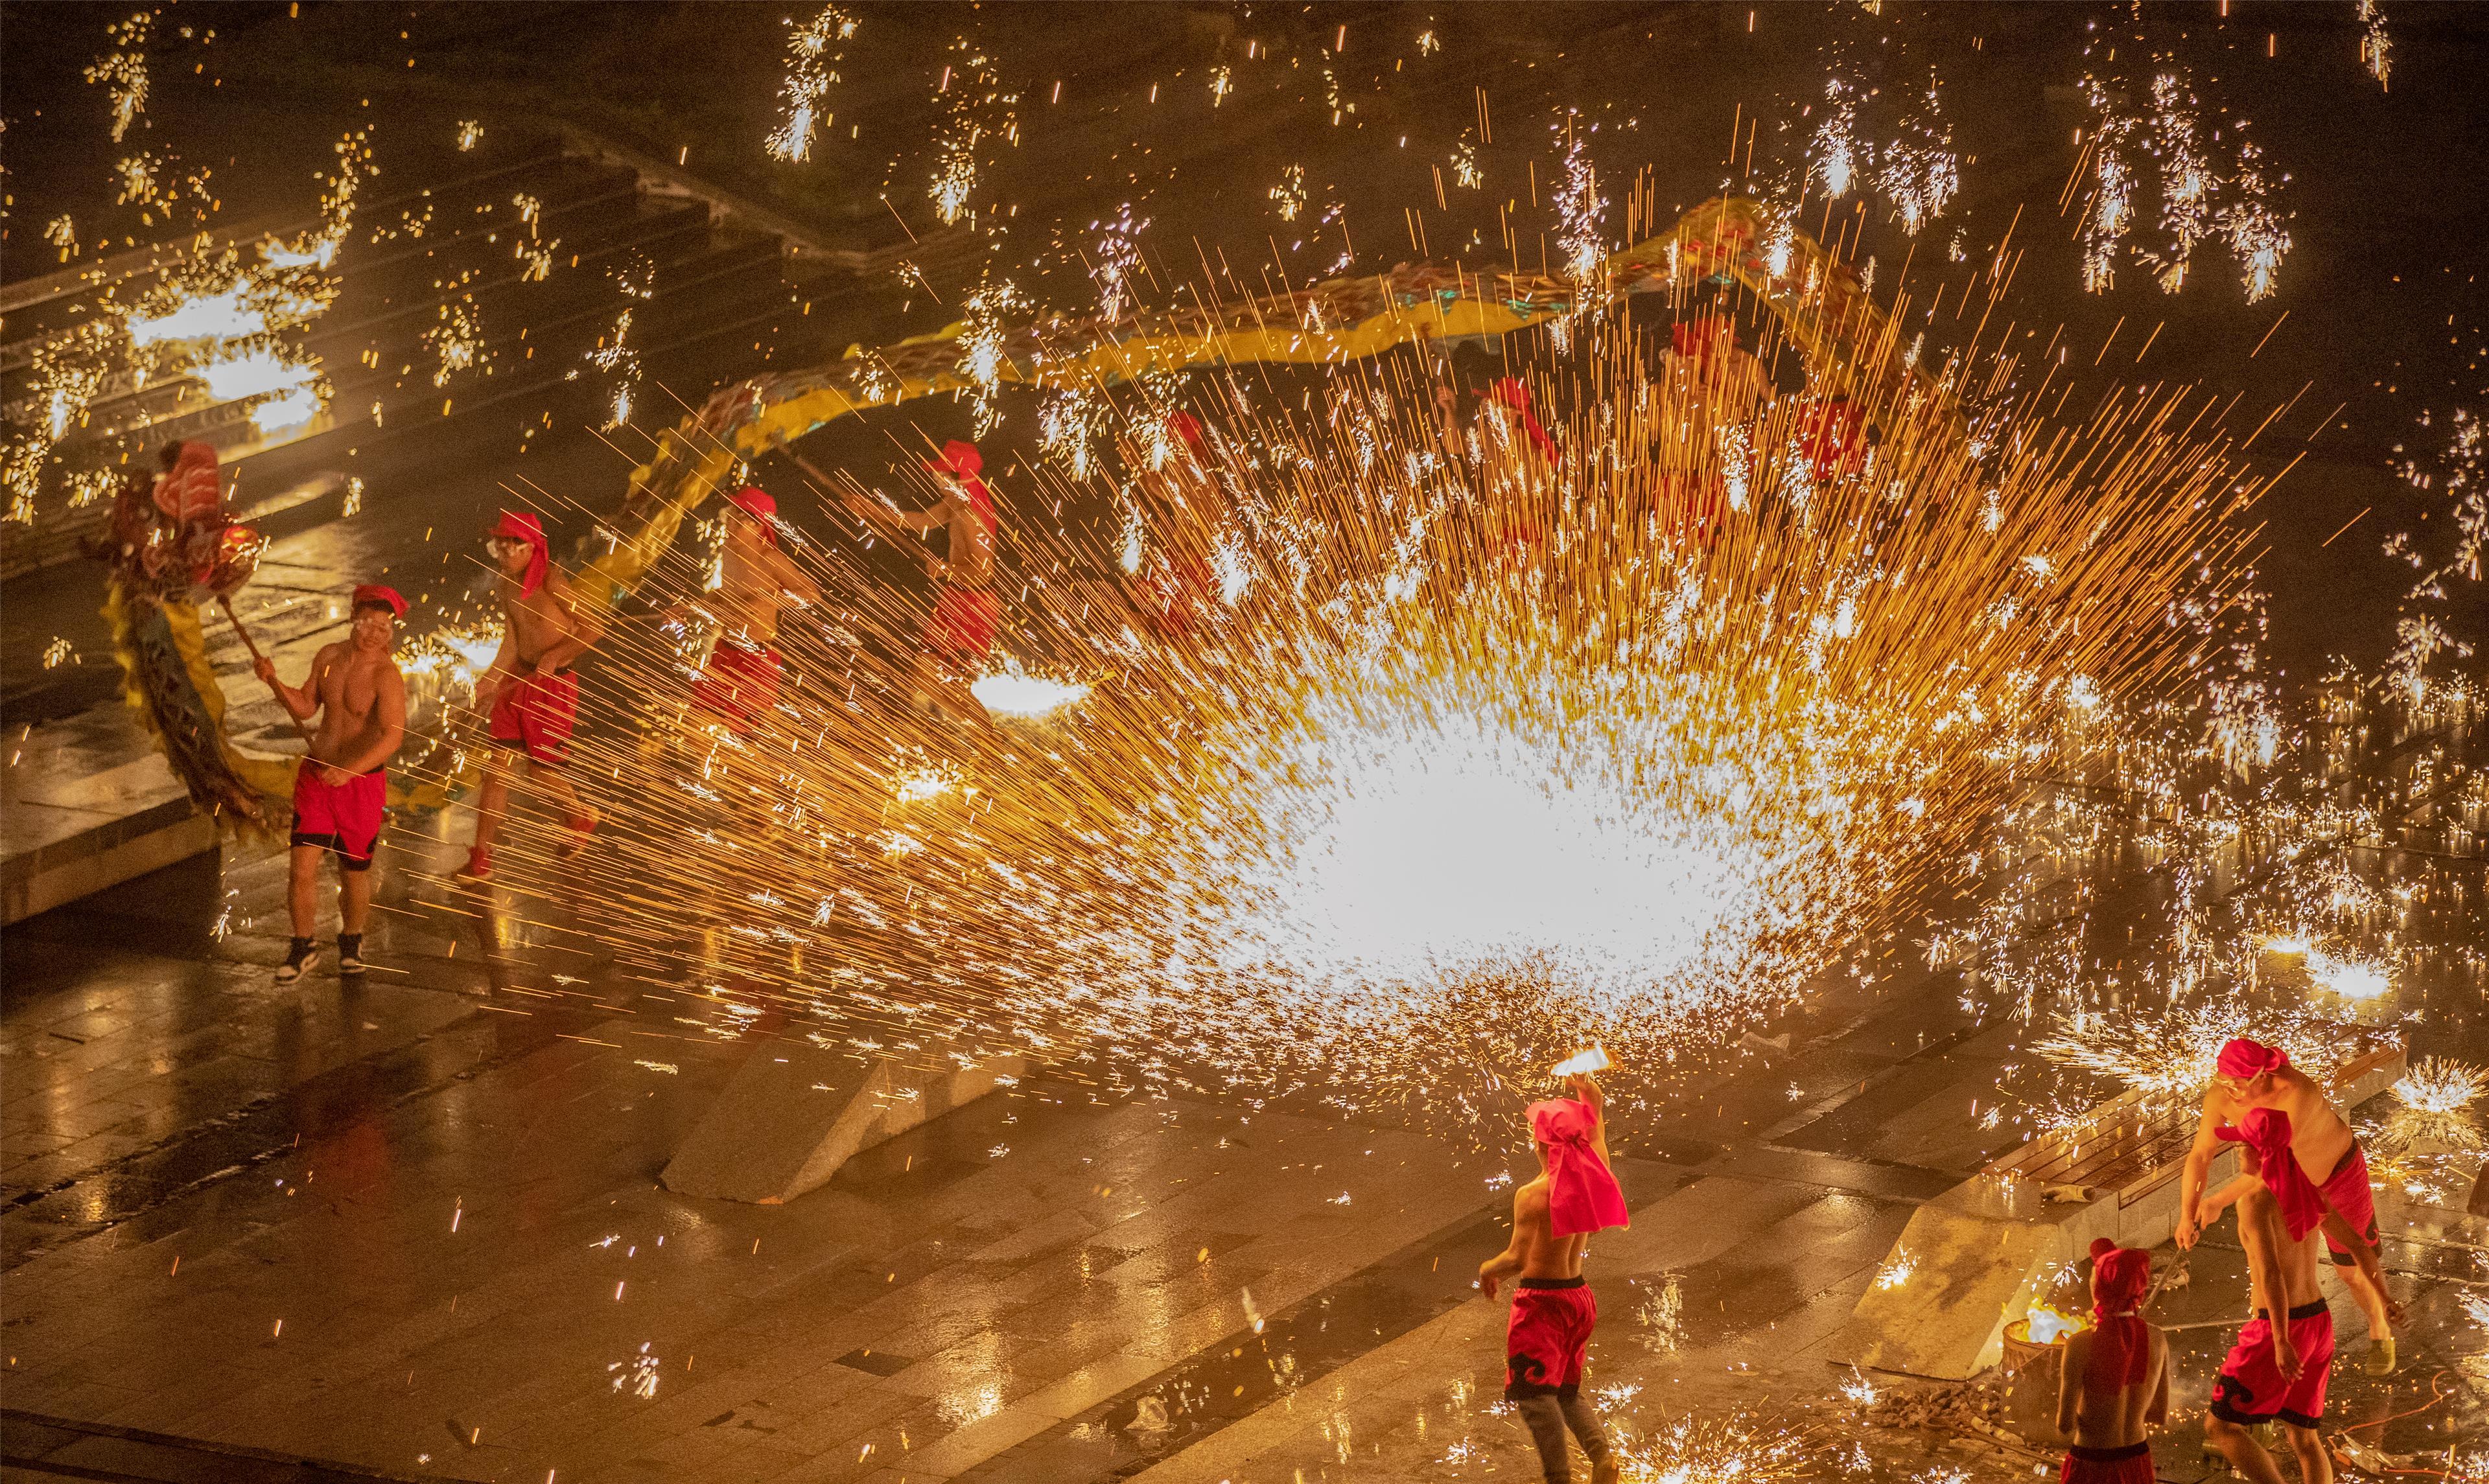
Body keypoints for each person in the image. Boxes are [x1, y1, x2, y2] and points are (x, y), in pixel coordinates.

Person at [2177, 1037, 2400, 1373]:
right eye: (2224, 1082)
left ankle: (2380, 1327)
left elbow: (2275, 1165)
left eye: (2238, 1084)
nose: (2230, 1091)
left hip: (2336, 1174)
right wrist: (2186, 1213)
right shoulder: (2221, 1094)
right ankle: (2271, 1356)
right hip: (2286, 1187)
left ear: (2262, 1077)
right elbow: (2201, 1154)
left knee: (2349, 1271)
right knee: (2270, 1271)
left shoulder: (2296, 1093)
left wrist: (2217, 1201)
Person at [1478, 1064, 1630, 1484]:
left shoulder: (1533, 1195)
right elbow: (1596, 1123)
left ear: (1540, 1141)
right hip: (1579, 1298)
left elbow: (1516, 1259)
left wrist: (1486, 1270)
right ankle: (1601, 1457)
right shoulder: (1593, 1169)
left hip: (1541, 1304)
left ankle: (1558, 1478)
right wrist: (1587, 1091)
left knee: (1533, 1394)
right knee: (1564, 1389)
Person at [253, 584, 408, 982]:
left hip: (361, 786)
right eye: (368, 623)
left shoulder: (387, 676)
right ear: (354, 618)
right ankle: (302, 945)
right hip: (317, 777)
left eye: (384, 627)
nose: (375, 633)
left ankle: (352, 938)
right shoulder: (328, 657)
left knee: (353, 872)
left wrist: (352, 771)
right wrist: (274, 682)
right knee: (301, 866)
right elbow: (306, 708)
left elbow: (393, 736)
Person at [797, 439, 998, 725]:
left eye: (939, 472)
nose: (933, 476)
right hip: (957, 598)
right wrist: (871, 510)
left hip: (974, 607)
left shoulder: (971, 513)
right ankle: (976, 738)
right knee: (926, 676)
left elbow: (984, 572)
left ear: (954, 476)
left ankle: (989, 741)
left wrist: (945, 569)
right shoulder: (958, 499)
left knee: (950, 684)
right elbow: (921, 521)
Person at [459, 510, 605, 881]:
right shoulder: (506, 584)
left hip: (552, 686)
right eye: (501, 543)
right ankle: (482, 857)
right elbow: (513, 640)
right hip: (519, 681)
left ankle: (580, 815)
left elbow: (592, 628)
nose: (505, 550)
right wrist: (492, 678)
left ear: (531, 548)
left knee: (541, 774)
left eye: (512, 544)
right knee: (496, 771)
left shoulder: (553, 582)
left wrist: (557, 654)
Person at [2204, 1107, 2338, 1484]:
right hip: (2318, 1321)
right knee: (2304, 1437)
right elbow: (2354, 1240)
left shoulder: (2256, 1202)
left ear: (2258, 1151)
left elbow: (2272, 1274)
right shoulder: (2305, 1186)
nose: (2236, 1154)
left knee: (2220, 1427)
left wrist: (2280, 1340)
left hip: (2279, 1327)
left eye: (2241, 1146)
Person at [686, 486, 819, 736]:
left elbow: (811, 593)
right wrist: (688, 608)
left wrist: (769, 601)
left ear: (759, 527)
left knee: (744, 736)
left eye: (740, 522)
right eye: (731, 518)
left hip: (757, 660)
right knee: (696, 722)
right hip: (725, 652)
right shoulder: (728, 551)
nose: (732, 527)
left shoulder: (770, 559)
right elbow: (722, 596)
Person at [2053, 1238, 2169, 1484]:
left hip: (2092, 1462)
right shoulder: (2157, 1338)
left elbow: (2065, 1425)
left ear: (2098, 1289)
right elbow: (2160, 1415)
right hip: (2137, 1459)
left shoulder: (2080, 1344)